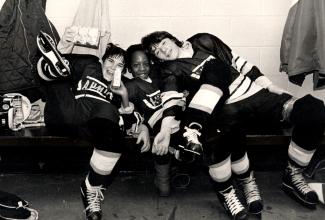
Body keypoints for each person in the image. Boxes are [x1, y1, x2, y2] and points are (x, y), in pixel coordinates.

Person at [142, 31, 325, 219]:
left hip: (257, 98)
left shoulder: (203, 41)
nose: (162, 50)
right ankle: (237, 186)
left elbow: (240, 63)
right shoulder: (170, 69)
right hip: (225, 110)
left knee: (314, 109)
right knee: (216, 133)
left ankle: (293, 174)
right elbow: (170, 97)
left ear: (173, 39)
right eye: (156, 51)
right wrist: (165, 127)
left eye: (163, 43)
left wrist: (270, 86)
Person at [36, 31, 150, 220]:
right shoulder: (91, 66)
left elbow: (136, 115)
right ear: (103, 61)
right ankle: (53, 66)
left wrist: (124, 98)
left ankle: (90, 188)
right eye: (111, 61)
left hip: (95, 127)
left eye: (120, 65)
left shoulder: (126, 85)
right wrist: (64, 53)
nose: (114, 68)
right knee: (61, 81)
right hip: (68, 114)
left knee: (108, 111)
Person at [124, 44, 189, 196]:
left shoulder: (158, 78)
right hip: (154, 124)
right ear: (128, 67)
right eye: (136, 65)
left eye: (145, 64)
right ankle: (166, 176)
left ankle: (169, 171)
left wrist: (182, 94)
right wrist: (142, 126)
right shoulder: (131, 86)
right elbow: (125, 110)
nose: (142, 69)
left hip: (173, 118)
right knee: (163, 134)